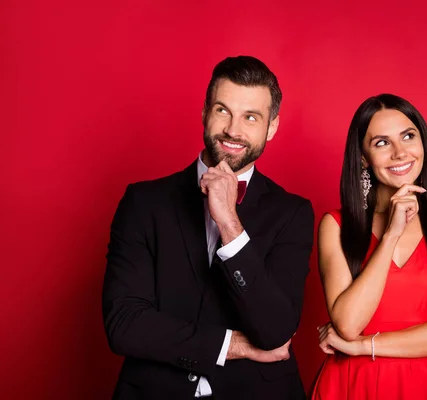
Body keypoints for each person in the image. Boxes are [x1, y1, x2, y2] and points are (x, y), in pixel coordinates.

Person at [103, 55, 314, 399]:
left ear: (271, 127)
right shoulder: (143, 202)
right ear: (204, 112)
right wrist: (234, 345)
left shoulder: (293, 213)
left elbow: (276, 329)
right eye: (222, 110)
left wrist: (229, 222)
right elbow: (125, 325)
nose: (233, 130)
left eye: (251, 117)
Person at [311, 94, 427, 399]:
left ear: (423, 143)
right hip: (350, 386)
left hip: (422, 386)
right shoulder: (335, 226)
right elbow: (348, 324)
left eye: (408, 136)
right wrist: (390, 235)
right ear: (363, 157)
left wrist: (364, 346)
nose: (400, 153)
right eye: (382, 143)